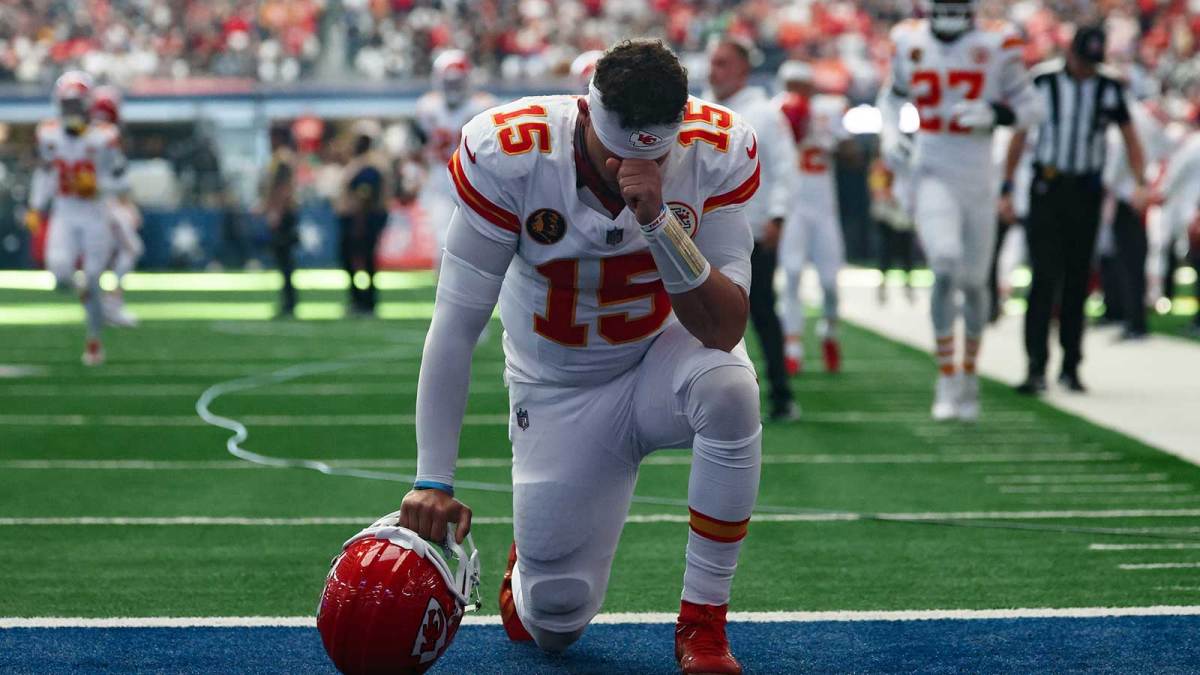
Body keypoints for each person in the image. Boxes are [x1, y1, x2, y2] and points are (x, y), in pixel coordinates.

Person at [400, 40, 763, 674]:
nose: (630, 167)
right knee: (554, 626)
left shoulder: (715, 147)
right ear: (587, 114)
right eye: (616, 150)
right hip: (558, 385)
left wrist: (659, 224)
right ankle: (531, 572)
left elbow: (723, 328)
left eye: (653, 152)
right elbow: (457, 325)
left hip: (663, 359)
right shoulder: (511, 154)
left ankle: (704, 625)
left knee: (730, 388)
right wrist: (434, 479)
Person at [878, 0, 1043, 420]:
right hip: (932, 167)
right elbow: (893, 99)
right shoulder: (909, 40)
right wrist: (892, 134)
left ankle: (969, 376)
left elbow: (1033, 108)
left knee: (973, 283)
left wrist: (996, 112)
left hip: (978, 175)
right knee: (946, 264)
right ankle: (947, 375)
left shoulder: (998, 42)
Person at [1003, 25, 1148, 394]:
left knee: (1078, 278)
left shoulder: (1108, 86)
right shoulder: (1042, 81)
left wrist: (1141, 183)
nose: (1087, 71)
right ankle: (1036, 365)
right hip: (1048, 188)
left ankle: (1071, 364)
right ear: (1070, 54)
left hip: (1085, 190)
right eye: (1083, 62)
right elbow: (1020, 134)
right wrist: (1006, 186)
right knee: (1043, 277)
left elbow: (1131, 138)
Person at [703, 37, 798, 420]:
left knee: (760, 312)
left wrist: (777, 216)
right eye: (713, 63)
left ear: (743, 69)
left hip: (751, 231)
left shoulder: (763, 112)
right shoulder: (701, 108)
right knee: (698, 317)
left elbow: (785, 168)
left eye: (723, 63)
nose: (714, 71)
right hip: (706, 231)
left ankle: (781, 393)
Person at [27, 71, 128, 366]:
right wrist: (36, 205)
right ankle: (87, 298)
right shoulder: (48, 134)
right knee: (59, 274)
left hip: (95, 213)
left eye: (76, 105)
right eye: (67, 105)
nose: (71, 111)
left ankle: (94, 340)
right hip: (65, 211)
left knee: (94, 277)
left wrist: (99, 186)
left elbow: (122, 181)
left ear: (87, 105)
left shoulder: (105, 137)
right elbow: (45, 173)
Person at [776, 60, 848, 374]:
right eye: (790, 84)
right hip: (793, 208)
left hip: (824, 209)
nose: (796, 91)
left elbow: (853, 156)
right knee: (791, 275)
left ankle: (829, 333)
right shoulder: (774, 111)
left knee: (830, 282)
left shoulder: (828, 111)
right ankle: (792, 346)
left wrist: (828, 138)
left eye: (800, 84)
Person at [414, 50, 497, 267]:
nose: (453, 87)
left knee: (481, 245)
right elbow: (420, 146)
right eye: (448, 82)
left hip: (476, 183)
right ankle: (443, 297)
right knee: (443, 243)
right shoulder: (427, 108)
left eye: (457, 82)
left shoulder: (484, 106)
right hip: (441, 183)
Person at [90, 84, 143, 328]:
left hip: (97, 202)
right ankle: (108, 305)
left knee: (108, 255)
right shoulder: (106, 136)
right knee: (129, 249)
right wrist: (127, 204)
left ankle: (103, 304)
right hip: (100, 203)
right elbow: (115, 177)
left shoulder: (89, 133)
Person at [337, 120, 390, 316]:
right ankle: (362, 299)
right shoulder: (363, 161)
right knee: (359, 260)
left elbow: (364, 194)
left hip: (362, 218)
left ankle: (365, 301)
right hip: (360, 217)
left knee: (362, 259)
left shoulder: (369, 163)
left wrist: (359, 222)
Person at [262, 123, 299, 318]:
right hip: (284, 212)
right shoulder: (282, 157)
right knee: (284, 259)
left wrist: (275, 212)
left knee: (284, 259)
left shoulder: (282, 158)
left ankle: (290, 302)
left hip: (284, 214)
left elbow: (282, 188)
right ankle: (288, 300)